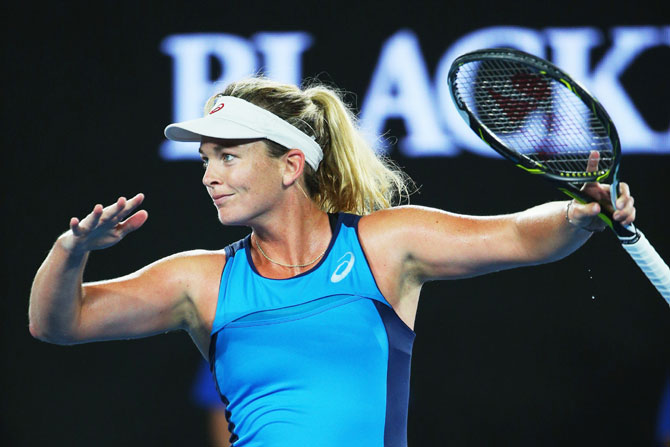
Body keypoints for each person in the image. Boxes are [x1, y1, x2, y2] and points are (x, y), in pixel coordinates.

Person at [29, 77, 637, 446]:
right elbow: (58, 324)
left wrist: (576, 217)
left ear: (291, 164)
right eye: (205, 160)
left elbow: (518, 236)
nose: (210, 176)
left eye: (229, 157)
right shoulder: (201, 280)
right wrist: (71, 250)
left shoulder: (383, 245)